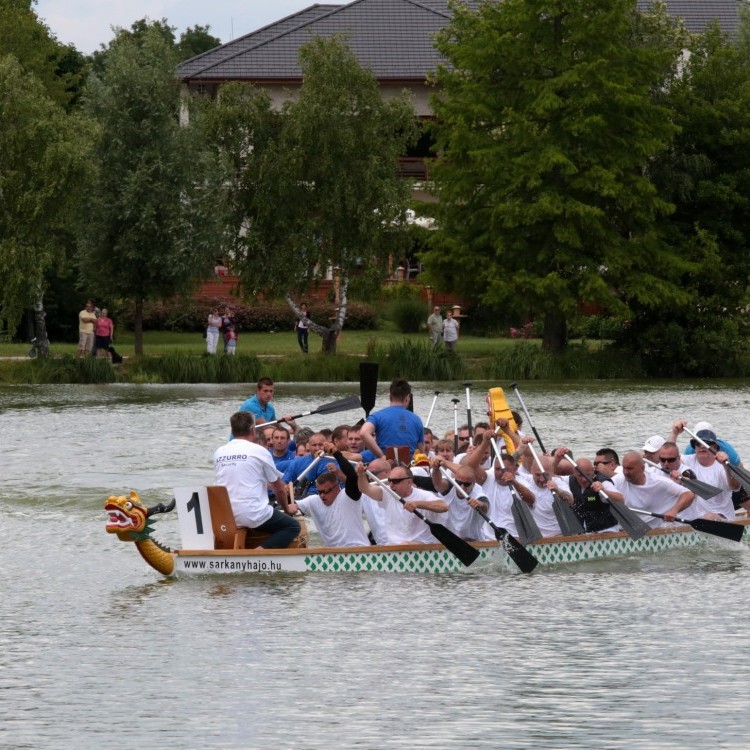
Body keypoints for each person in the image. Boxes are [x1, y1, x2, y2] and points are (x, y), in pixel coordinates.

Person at [213, 411, 300, 549]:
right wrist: (287, 509)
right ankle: (260, 553)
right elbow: (279, 489)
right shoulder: (260, 451)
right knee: (293, 526)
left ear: (232, 430)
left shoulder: (219, 452)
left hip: (225, 515)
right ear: (253, 430)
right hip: (252, 515)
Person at [356, 462, 449, 545]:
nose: (391, 485)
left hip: (421, 545)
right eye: (390, 480)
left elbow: (444, 506)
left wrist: (418, 504)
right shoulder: (387, 492)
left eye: (396, 481)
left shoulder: (424, 495)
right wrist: (360, 474)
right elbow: (365, 488)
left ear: (409, 481)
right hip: (394, 545)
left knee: (405, 544)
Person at [610, 451, 695, 527]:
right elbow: (604, 486)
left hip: (653, 530)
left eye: (630, 469)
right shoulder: (619, 479)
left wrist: (674, 511)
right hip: (628, 528)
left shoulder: (658, 481)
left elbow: (689, 494)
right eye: (624, 468)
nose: (625, 472)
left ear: (642, 468)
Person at [288, 472, 370, 547]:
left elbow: (352, 479)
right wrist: (288, 499)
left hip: (358, 548)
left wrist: (338, 457)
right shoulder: (313, 501)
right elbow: (292, 506)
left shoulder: (348, 496)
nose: (322, 495)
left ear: (337, 488)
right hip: (333, 552)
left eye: (326, 491)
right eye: (319, 492)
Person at [360, 379, 425, 460]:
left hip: (386, 465)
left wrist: (381, 455)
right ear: (408, 398)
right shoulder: (417, 420)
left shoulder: (377, 416)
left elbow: (363, 432)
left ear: (390, 397)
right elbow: (421, 451)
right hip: (409, 467)